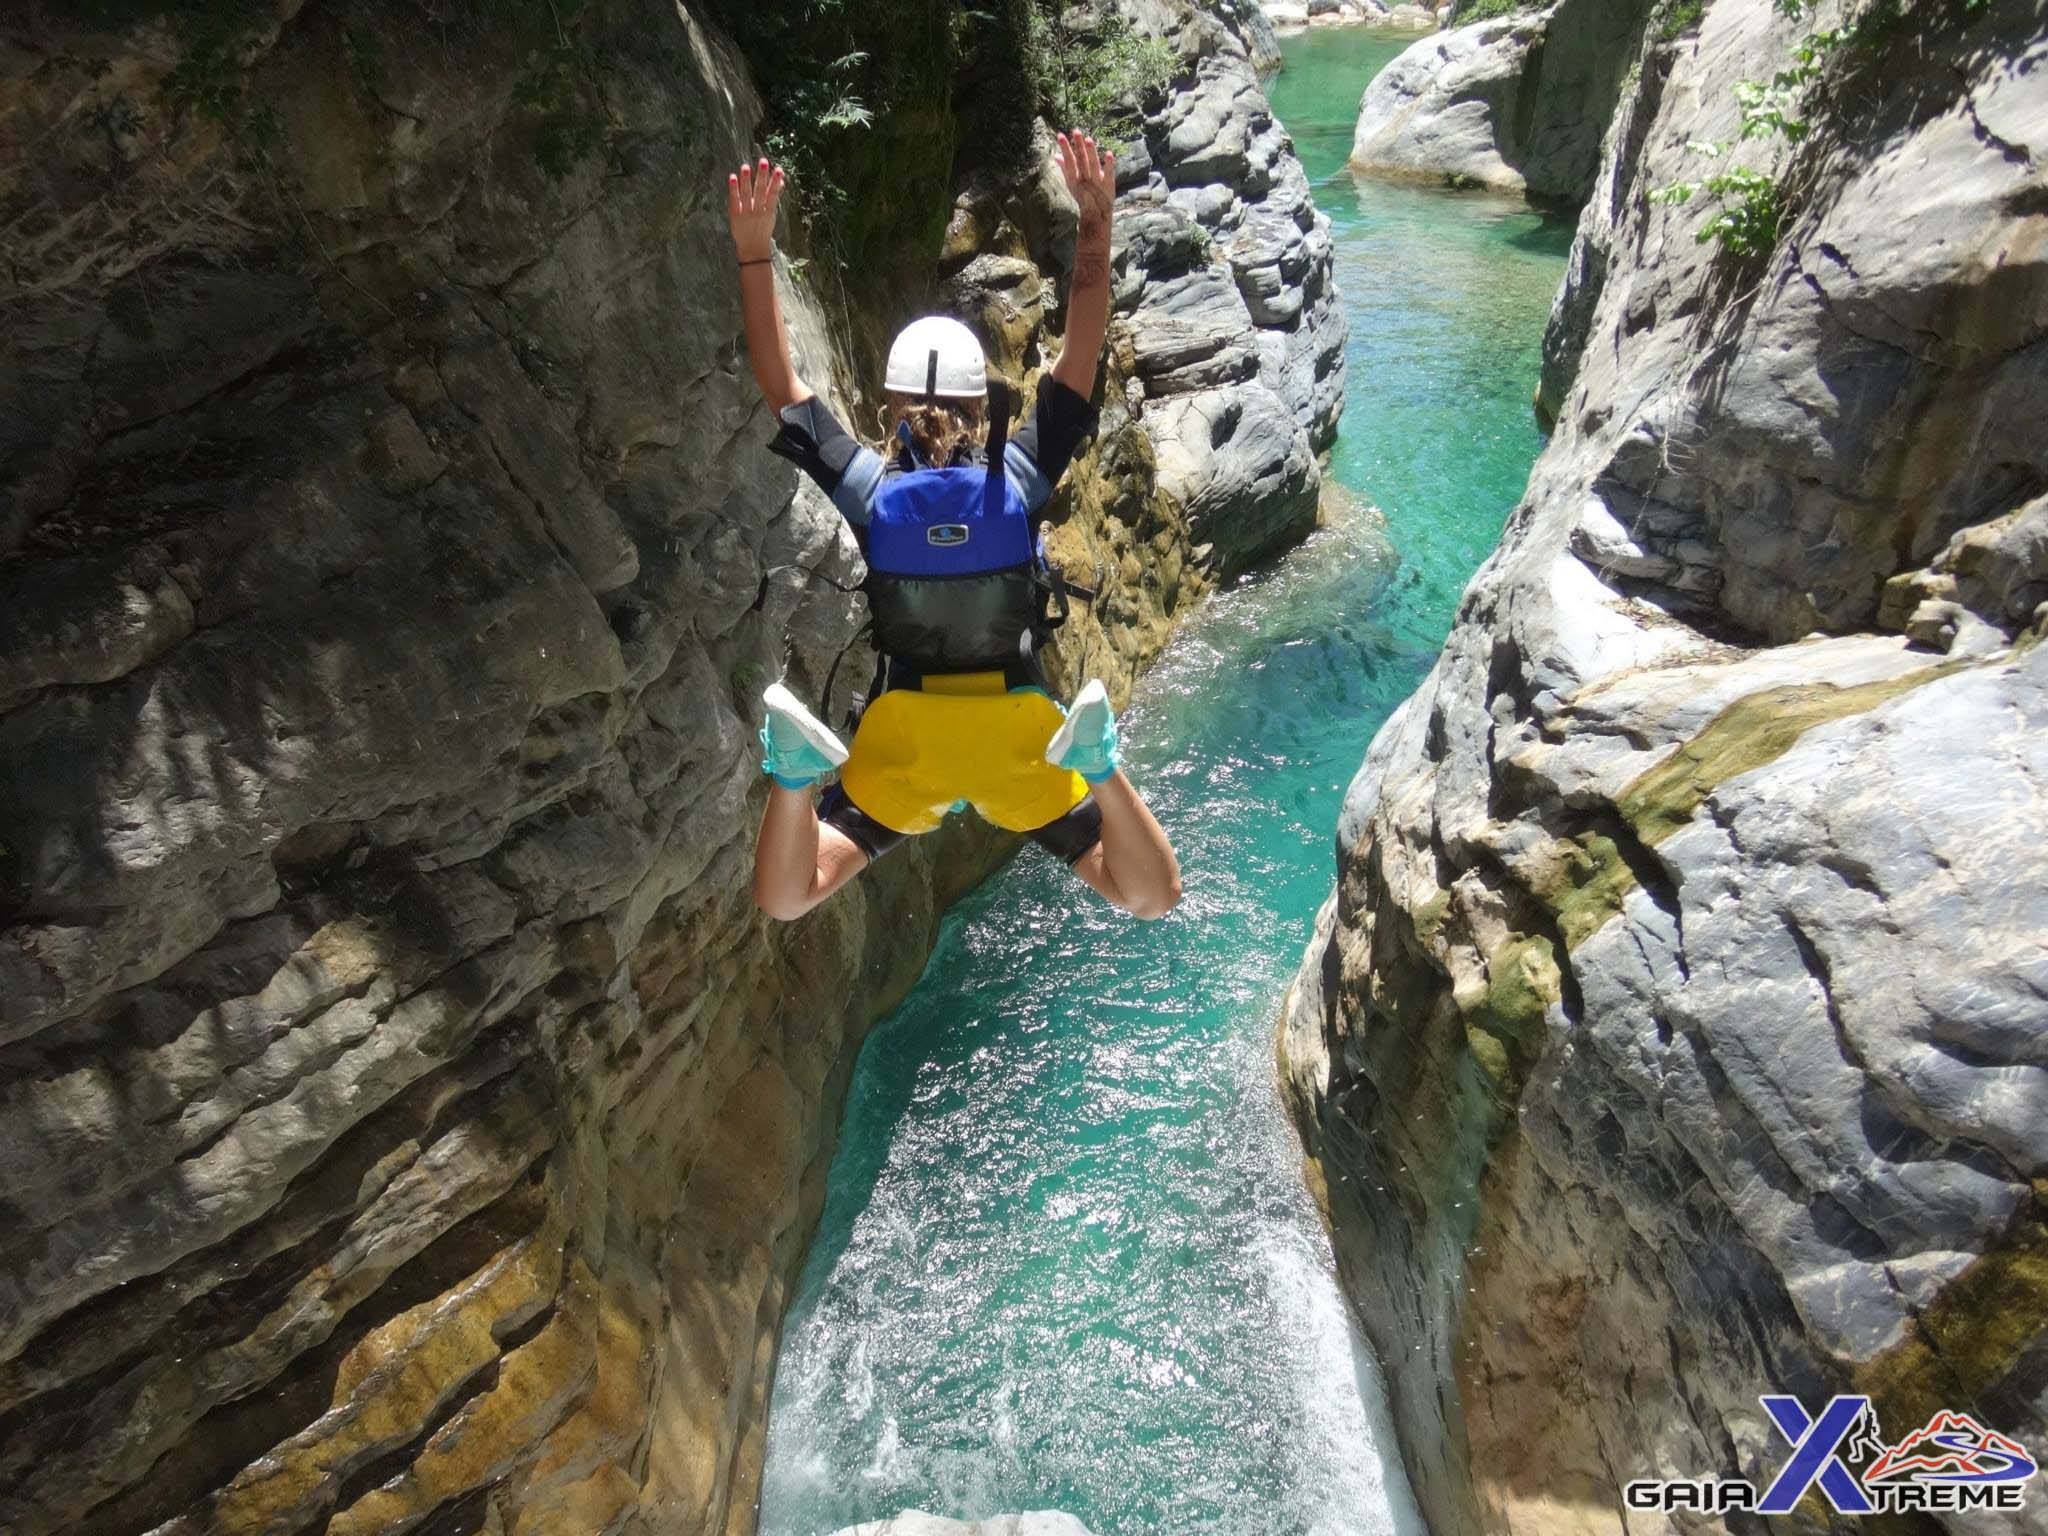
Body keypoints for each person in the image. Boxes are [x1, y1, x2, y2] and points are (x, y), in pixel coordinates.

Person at [724, 134, 1182, 923]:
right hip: (1022, 732)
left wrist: (754, 252)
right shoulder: (1021, 479)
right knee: (1148, 895)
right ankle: (1101, 765)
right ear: (983, 407)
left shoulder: (871, 493)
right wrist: (1095, 225)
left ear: (890, 405)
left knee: (787, 898)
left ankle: (796, 778)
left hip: (907, 739)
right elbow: (1079, 360)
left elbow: (782, 387)